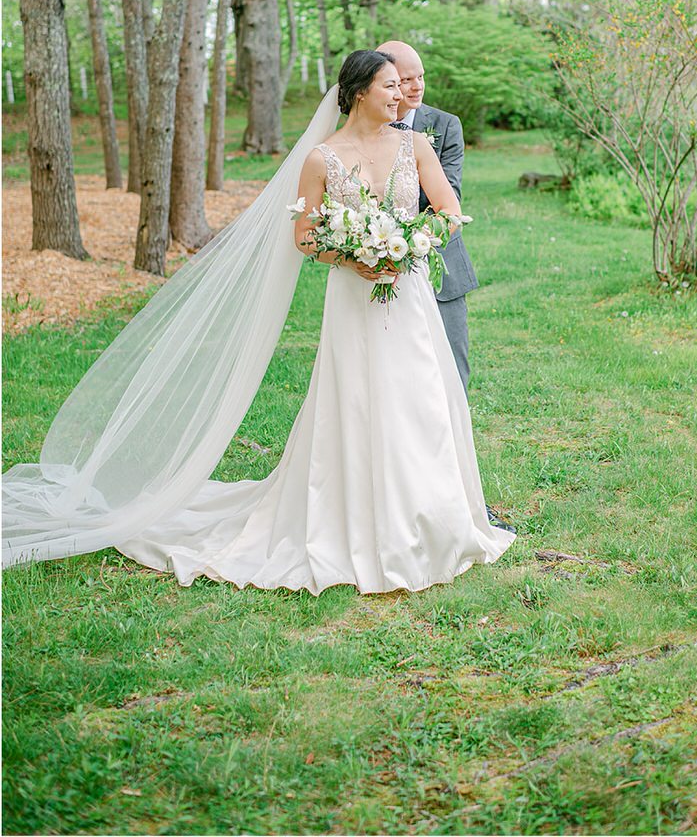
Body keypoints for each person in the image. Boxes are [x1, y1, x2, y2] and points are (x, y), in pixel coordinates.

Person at [3, 50, 514, 595]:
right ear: (360, 91)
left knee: (421, 400)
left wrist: (409, 245)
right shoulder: (322, 158)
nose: (403, 95)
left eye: (403, 85)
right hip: (353, 299)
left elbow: (449, 212)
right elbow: (305, 237)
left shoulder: (415, 145)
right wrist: (354, 258)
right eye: (391, 86)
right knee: (359, 400)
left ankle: (431, 519)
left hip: (407, 292)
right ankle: (354, 519)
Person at [375, 40, 515, 537]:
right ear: (380, 81)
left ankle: (465, 502)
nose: (413, 88)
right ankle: (396, 500)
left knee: (452, 382)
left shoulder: (443, 125)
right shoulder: (360, 132)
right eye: (402, 79)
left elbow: (446, 196)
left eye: (420, 77)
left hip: (439, 269)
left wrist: (390, 237)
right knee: (388, 389)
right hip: (376, 275)